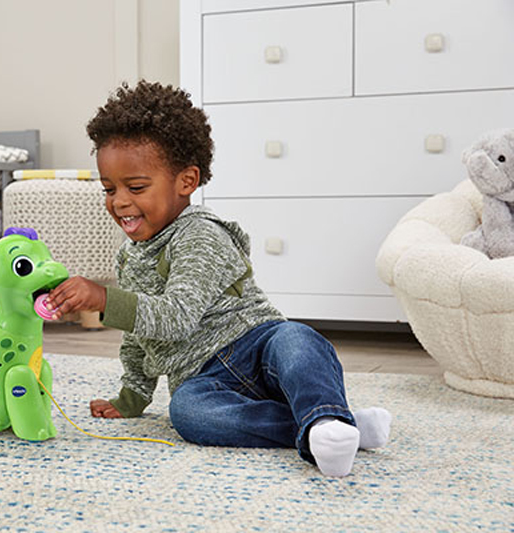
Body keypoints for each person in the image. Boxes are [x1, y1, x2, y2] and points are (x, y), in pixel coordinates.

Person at [44, 80, 391, 477]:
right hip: (201, 378)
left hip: (258, 347)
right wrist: (132, 396)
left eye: (136, 187)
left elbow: (176, 317)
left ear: (186, 181)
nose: (119, 201)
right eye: (109, 189)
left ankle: (324, 416)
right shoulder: (130, 255)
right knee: (189, 414)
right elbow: (140, 334)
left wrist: (105, 299)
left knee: (296, 341)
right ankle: (329, 425)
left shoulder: (201, 234)